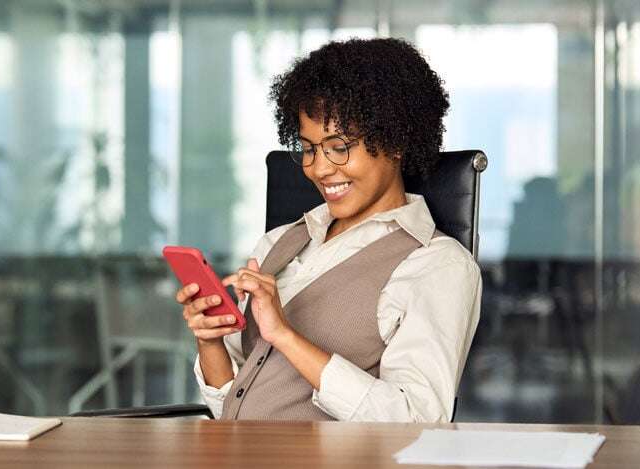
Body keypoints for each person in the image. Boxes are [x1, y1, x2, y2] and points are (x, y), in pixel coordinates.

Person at [176, 37, 481, 422]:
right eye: (309, 148)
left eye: (339, 147)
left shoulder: (436, 265)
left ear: (396, 141)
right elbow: (232, 409)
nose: (319, 168)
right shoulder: (278, 243)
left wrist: (286, 336)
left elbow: (417, 420)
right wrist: (210, 342)